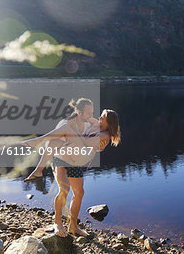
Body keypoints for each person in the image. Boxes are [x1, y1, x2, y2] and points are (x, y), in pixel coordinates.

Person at [22, 99, 121, 237]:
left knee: (79, 193)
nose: (99, 118)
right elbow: (83, 117)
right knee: (64, 189)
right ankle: (57, 222)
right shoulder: (94, 124)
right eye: (101, 115)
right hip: (62, 157)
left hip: (76, 159)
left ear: (109, 123)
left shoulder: (105, 135)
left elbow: (86, 142)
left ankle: (73, 226)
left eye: (102, 117)